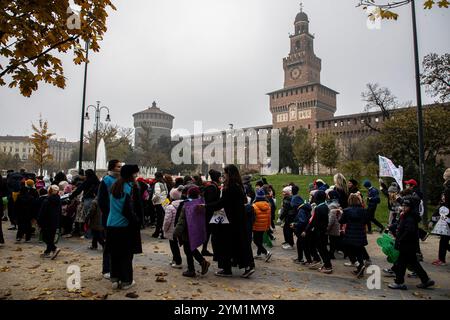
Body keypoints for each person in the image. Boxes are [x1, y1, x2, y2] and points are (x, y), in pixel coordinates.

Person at [205, 164, 255, 278]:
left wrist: (206, 206)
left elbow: (222, 203)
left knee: (224, 244)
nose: (224, 175)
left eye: (225, 173)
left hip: (230, 220)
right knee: (240, 243)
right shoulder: (239, 186)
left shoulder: (231, 187)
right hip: (239, 218)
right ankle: (247, 266)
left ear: (229, 174)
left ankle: (227, 269)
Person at [106, 164, 143, 290]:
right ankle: (126, 280)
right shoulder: (130, 188)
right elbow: (128, 210)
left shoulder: (115, 186)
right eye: (135, 173)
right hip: (124, 225)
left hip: (111, 224)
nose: (136, 175)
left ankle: (115, 278)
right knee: (126, 255)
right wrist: (137, 221)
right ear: (131, 174)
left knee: (114, 253)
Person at [388, 197, 435, 290]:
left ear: (410, 207)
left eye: (406, 206)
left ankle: (399, 282)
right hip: (409, 245)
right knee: (414, 263)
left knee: (401, 263)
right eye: (403, 206)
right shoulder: (408, 215)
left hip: (406, 245)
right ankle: (426, 280)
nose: (403, 207)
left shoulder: (409, 218)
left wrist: (400, 240)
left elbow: (408, 231)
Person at [174, 186, 210, 277]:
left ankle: (192, 269)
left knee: (188, 249)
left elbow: (182, 220)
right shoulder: (201, 203)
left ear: (188, 194)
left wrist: (176, 232)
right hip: (196, 230)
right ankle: (201, 263)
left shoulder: (186, 204)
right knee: (191, 248)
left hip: (186, 231)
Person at [339, 193, 369, 278]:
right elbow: (366, 221)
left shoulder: (347, 210)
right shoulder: (363, 210)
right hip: (360, 232)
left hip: (350, 233)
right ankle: (361, 266)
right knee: (359, 250)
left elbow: (341, 221)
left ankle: (357, 263)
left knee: (348, 249)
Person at [305, 190, 333, 274]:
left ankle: (328, 266)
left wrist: (306, 230)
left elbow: (313, 221)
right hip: (323, 231)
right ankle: (326, 264)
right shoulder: (325, 206)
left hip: (319, 232)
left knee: (322, 249)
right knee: (322, 249)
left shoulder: (319, 208)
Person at [69, 169, 100, 238]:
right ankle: (95, 234)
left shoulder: (87, 181)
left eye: (86, 174)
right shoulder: (97, 181)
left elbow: (79, 189)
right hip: (96, 200)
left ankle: (89, 234)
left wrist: (71, 196)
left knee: (88, 217)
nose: (85, 176)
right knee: (94, 217)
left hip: (88, 200)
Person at [37, 185, 62, 259]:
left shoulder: (47, 200)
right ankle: (47, 252)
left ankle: (54, 248)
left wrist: (39, 221)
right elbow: (60, 212)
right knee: (51, 237)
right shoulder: (59, 200)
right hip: (55, 221)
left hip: (46, 222)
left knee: (45, 237)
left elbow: (42, 212)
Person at [163, 185, 184, 269]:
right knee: (177, 245)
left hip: (171, 230)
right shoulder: (183, 204)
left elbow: (167, 220)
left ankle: (178, 262)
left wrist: (164, 229)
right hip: (180, 229)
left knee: (173, 246)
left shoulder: (170, 207)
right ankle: (175, 260)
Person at [202, 169, 221, 257]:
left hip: (213, 212)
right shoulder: (212, 187)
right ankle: (207, 250)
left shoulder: (214, 186)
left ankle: (205, 249)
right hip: (211, 213)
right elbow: (209, 202)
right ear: (217, 178)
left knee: (210, 232)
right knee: (212, 232)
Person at [429, 192, 450, 266]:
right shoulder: (441, 205)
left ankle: (441, 259)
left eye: (445, 196)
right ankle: (441, 259)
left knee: (444, 243)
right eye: (442, 196)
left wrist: (447, 219)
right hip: (444, 228)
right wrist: (431, 221)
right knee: (443, 242)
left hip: (448, 227)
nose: (443, 197)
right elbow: (436, 214)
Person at [252, 188, 272, 262]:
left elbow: (253, 218)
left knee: (255, 241)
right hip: (264, 226)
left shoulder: (254, 206)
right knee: (259, 240)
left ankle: (266, 252)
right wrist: (268, 226)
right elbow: (269, 217)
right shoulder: (268, 206)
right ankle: (259, 254)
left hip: (256, 226)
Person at [152, 172, 168, 239]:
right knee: (163, 218)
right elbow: (167, 192)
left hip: (159, 202)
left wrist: (153, 200)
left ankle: (158, 233)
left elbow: (157, 194)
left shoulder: (157, 184)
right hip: (165, 202)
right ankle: (161, 232)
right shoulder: (164, 183)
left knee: (159, 219)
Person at [326, 190, 342, 259]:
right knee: (334, 240)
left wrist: (328, 227)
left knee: (332, 240)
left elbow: (331, 217)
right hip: (336, 224)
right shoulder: (336, 203)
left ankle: (331, 254)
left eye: (329, 195)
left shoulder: (332, 206)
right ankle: (332, 252)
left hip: (333, 225)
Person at [279, 186, 294, 250]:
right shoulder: (288, 198)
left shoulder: (287, 199)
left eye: (284, 192)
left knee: (288, 230)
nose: (282, 193)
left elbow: (285, 210)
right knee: (286, 229)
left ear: (287, 193)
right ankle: (288, 242)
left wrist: (280, 218)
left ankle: (290, 243)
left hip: (289, 216)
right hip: (289, 216)